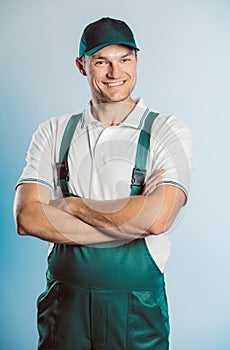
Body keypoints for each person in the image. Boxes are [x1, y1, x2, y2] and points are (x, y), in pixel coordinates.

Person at [14, 17, 192, 350]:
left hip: (137, 313)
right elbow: (27, 218)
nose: (115, 72)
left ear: (137, 60)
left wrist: (70, 205)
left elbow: (157, 219)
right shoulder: (53, 132)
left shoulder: (167, 132)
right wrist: (130, 219)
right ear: (81, 66)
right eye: (101, 61)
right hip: (65, 310)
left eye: (124, 59)